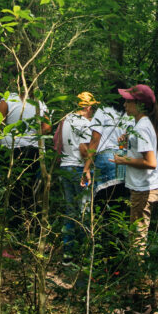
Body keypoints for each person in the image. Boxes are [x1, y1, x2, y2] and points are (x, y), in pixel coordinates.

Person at [113, 84, 158, 258]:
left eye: (129, 101)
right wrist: (126, 143)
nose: (125, 105)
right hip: (140, 186)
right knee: (136, 232)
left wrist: (123, 160)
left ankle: (137, 271)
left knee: (137, 236)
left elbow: (150, 162)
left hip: (144, 188)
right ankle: (138, 267)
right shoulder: (139, 124)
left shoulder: (142, 127)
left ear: (140, 105)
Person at [0, 89, 50, 219]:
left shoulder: (7, 99)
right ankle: (27, 219)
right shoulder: (40, 104)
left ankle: (14, 219)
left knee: (12, 185)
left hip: (10, 147)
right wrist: (33, 133)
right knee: (28, 186)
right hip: (33, 149)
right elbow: (47, 128)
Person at [58, 91, 97, 259]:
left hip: (65, 166)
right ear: (88, 107)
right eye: (92, 108)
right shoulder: (84, 123)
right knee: (84, 210)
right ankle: (85, 254)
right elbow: (83, 149)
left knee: (70, 210)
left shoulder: (66, 120)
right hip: (79, 168)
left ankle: (68, 251)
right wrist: (91, 163)